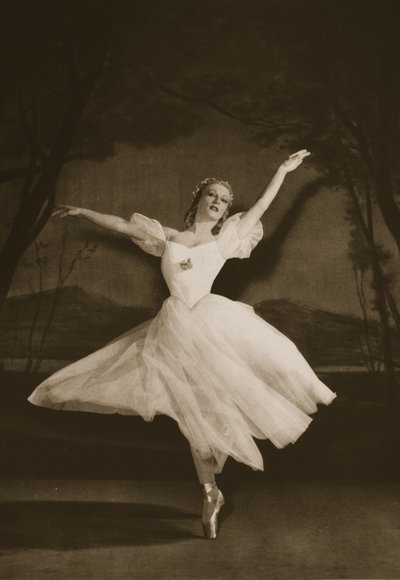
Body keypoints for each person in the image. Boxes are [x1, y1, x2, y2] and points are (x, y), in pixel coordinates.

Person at [28, 150, 336, 539]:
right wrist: (83, 212)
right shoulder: (168, 237)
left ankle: (212, 482)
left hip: (212, 325)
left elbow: (260, 207)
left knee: (210, 415)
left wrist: (281, 171)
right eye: (214, 195)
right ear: (199, 200)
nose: (219, 203)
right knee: (194, 419)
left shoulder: (226, 240)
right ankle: (211, 492)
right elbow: (123, 226)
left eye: (224, 201)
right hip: (174, 327)